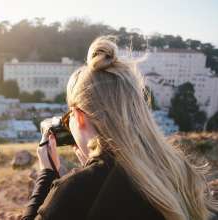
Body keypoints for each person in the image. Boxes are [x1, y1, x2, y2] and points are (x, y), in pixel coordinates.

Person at [21, 36, 218, 220]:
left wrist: (47, 175)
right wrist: (92, 168)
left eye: (68, 118)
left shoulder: (75, 189)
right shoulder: (179, 170)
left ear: (79, 116)